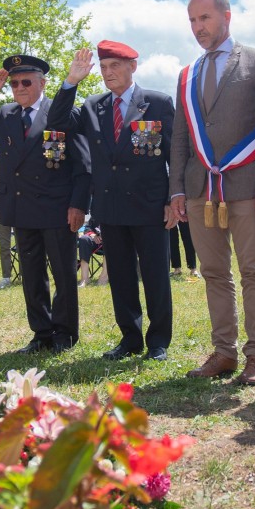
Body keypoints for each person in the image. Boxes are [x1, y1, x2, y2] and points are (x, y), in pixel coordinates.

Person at [169, 0, 255, 385]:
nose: (197, 28)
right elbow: (181, 139)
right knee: (214, 272)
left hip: (247, 188)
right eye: (191, 20)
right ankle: (224, 353)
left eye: (204, 18)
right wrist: (177, 191)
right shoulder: (188, 75)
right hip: (201, 189)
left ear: (226, 16)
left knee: (253, 271)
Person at [48, 40, 174, 361]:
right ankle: (130, 339)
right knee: (120, 278)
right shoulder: (94, 106)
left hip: (150, 206)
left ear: (133, 66)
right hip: (111, 208)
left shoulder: (157, 103)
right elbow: (58, 121)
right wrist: (70, 82)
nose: (108, 73)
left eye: (115, 66)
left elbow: (175, 154)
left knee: (156, 276)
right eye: (103, 67)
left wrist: (175, 197)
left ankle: (158, 341)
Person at [0, 54, 91, 353]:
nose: (18, 87)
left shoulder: (60, 111)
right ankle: (41, 333)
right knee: (32, 276)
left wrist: (78, 205)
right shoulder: (5, 115)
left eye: (26, 82)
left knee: (63, 274)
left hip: (57, 209)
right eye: (14, 83)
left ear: (42, 83)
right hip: (21, 209)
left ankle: (65, 334)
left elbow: (83, 165)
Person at [78, 217, 108, 287]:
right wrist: (93, 235)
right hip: (96, 241)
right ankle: (84, 279)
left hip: (111, 243)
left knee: (110, 240)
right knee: (84, 239)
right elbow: (87, 228)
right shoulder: (97, 213)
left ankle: (104, 277)